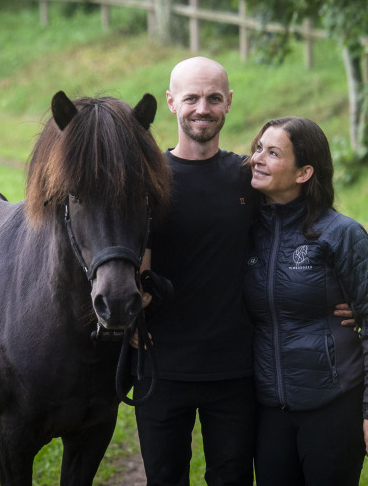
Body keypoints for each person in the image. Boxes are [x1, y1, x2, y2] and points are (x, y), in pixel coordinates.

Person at [243, 116, 368, 486]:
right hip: (269, 408)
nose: (257, 159)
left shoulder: (342, 234)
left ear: (304, 172)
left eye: (273, 152)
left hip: (333, 403)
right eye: (258, 149)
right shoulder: (244, 230)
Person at [131, 56, 259, 486]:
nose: (202, 108)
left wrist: (339, 296)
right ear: (171, 102)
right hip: (161, 366)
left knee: (233, 479)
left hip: (236, 369)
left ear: (228, 104)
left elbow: (301, 235)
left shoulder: (247, 178)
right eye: (191, 98)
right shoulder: (148, 179)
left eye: (213, 98)